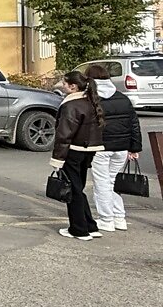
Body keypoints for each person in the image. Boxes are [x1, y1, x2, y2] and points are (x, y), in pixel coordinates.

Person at [50, 69, 105, 241]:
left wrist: (57, 159)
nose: (63, 85)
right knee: (78, 188)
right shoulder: (90, 101)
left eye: (65, 83)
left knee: (72, 191)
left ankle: (79, 229)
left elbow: (64, 134)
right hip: (89, 150)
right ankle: (90, 225)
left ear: (73, 87)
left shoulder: (70, 105)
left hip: (73, 150)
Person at [89, 64, 142, 232]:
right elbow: (134, 125)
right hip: (121, 149)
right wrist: (134, 148)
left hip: (100, 148)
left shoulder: (90, 99)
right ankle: (120, 218)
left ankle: (106, 219)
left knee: (102, 184)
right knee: (112, 183)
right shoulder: (122, 98)